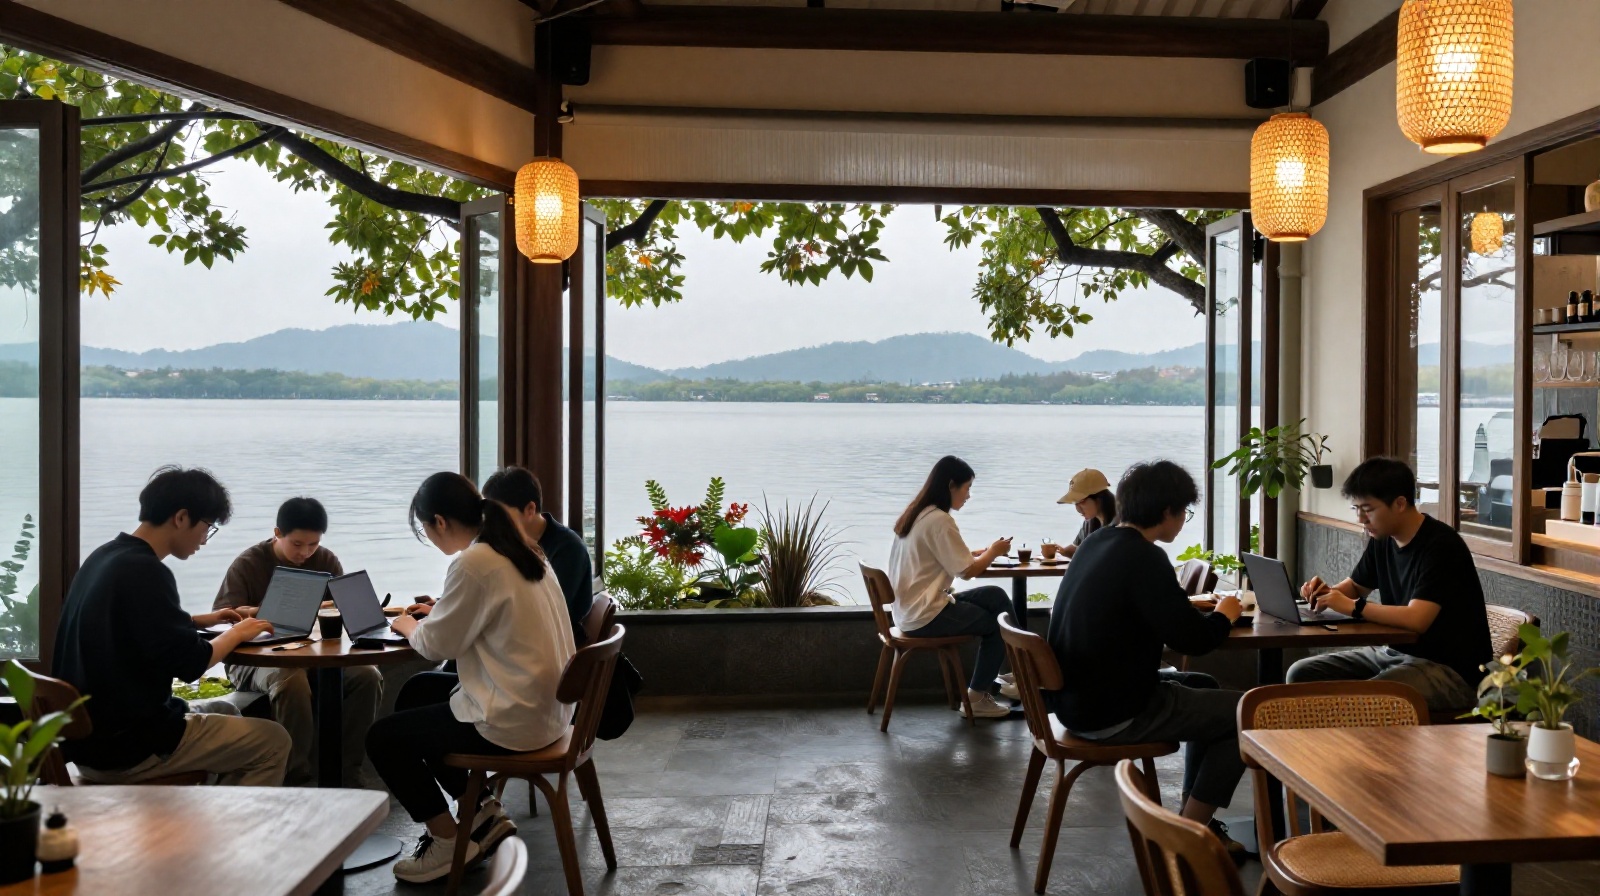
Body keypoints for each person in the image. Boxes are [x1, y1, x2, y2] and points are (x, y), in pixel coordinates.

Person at [367, 472, 576, 884]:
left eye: (427, 531)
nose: (433, 539)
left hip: (515, 719)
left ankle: (446, 841)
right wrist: (437, 616)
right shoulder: (522, 548)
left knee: (383, 740)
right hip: (548, 707)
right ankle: (481, 810)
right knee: (417, 691)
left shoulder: (473, 562)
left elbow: (435, 645)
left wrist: (407, 624)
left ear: (439, 522)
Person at [1044, 460, 1249, 862]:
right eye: (1184, 513)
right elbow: (1191, 637)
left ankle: (1198, 821)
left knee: (1204, 686)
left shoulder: (1097, 542)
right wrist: (1226, 614)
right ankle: (1188, 837)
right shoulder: (1144, 557)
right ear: (1167, 511)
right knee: (1246, 714)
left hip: (1075, 701)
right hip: (1112, 711)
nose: (1182, 522)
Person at [51, 466, 291, 785]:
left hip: (93, 742)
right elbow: (191, 662)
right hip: (132, 747)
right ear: (181, 518)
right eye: (207, 527)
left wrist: (197, 620)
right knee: (273, 741)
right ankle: (236, 832)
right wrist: (239, 632)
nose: (205, 539)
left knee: (228, 711)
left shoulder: (106, 557)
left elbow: (132, 624)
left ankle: (205, 817)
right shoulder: (147, 571)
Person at [1290, 457, 1491, 711]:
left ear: (1399, 503)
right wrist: (1324, 593)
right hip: (1394, 655)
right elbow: (1355, 586)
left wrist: (1354, 607)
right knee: (1301, 674)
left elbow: (1417, 619)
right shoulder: (1382, 538)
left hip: (1450, 672)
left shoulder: (1441, 546)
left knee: (1368, 701)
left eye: (1368, 509)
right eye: (1356, 509)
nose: (1361, 519)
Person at [214, 496, 381, 786]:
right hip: (254, 658)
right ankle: (296, 778)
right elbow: (224, 618)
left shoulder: (326, 560)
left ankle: (347, 770)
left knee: (367, 675)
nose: (305, 552)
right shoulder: (248, 564)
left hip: (311, 653)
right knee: (290, 680)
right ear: (277, 533)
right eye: (297, 544)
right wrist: (267, 611)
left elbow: (339, 609)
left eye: (313, 544)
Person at [888, 455, 1015, 720]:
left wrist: (978, 552)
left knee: (996, 596)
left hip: (908, 610)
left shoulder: (918, 514)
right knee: (997, 623)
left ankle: (1015, 675)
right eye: (967, 488)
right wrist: (993, 551)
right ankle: (977, 697)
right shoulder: (940, 521)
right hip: (925, 615)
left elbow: (942, 557)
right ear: (951, 486)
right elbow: (967, 571)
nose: (968, 496)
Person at [482, 466, 594, 642]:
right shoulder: (511, 542)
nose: (493, 522)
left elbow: (548, 612)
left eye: (500, 515)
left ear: (530, 509)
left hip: (553, 645)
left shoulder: (568, 549)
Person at [1056, 468, 1116, 558]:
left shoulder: (1121, 523)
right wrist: (1062, 551)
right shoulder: (1090, 522)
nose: (1078, 509)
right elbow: (1079, 549)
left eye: (1081, 501)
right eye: (1075, 503)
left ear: (1099, 498)